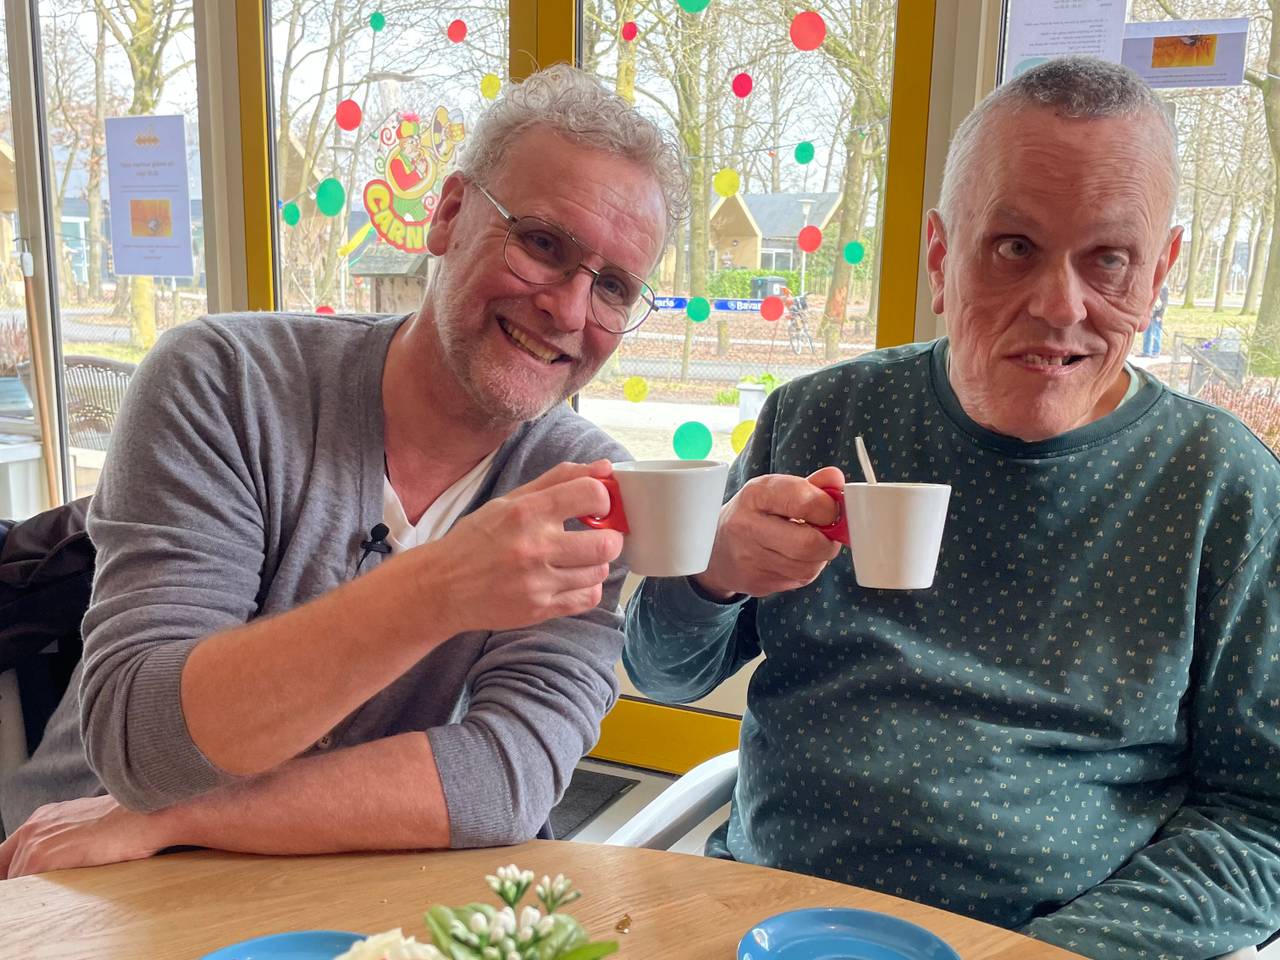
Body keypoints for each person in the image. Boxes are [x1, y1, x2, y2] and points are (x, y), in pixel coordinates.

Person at [625, 57, 1280, 960]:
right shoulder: (818, 417)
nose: (1060, 305)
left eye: (1110, 260)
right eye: (1013, 246)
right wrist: (710, 574)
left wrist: (1048, 954)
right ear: (940, 253)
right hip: (766, 924)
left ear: (1161, 270)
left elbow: (1262, 822)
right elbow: (661, 675)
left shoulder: (1224, 489)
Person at [0, 65, 686, 877]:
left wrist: (181, 818)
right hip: (80, 876)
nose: (570, 311)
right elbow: (144, 749)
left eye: (612, 287)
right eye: (542, 244)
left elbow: (508, 780)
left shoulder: (585, 478)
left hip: (317, 884)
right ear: (450, 214)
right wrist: (441, 587)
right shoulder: (225, 380)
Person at [1141, 282, 1168, 357]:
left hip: (1157, 313)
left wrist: (1160, 315)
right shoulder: (1150, 284)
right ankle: (1146, 351)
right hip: (1149, 312)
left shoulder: (1164, 286)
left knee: (1156, 332)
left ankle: (1156, 351)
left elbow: (1164, 302)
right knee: (1147, 333)